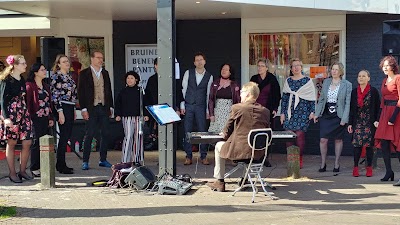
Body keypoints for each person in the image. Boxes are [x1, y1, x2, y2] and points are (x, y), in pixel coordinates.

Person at [206, 82, 270, 192]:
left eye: (242, 92)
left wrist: (224, 135)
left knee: (218, 146)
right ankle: (245, 180)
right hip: (258, 153)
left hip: (238, 151)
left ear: (248, 94)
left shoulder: (237, 108)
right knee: (250, 148)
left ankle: (220, 181)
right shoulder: (265, 111)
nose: (240, 95)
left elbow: (227, 131)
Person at [78, 51, 114, 170]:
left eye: (102, 58)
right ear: (92, 59)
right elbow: (81, 92)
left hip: (103, 107)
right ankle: (85, 161)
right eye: (98, 58)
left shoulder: (105, 73)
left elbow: (109, 90)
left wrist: (110, 107)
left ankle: (103, 159)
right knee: (90, 134)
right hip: (91, 107)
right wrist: (83, 109)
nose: (100, 60)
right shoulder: (84, 73)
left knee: (105, 133)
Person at [0, 55, 33, 183]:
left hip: (23, 112)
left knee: (27, 141)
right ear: (15, 65)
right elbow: (2, 100)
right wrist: (6, 118)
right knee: (12, 142)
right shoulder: (6, 80)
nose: (25, 65)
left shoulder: (22, 79)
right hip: (11, 113)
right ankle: (12, 173)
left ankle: (23, 170)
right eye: (23, 63)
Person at [314, 62, 352, 173]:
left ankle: (336, 163)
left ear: (341, 71)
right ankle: (323, 163)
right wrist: (317, 114)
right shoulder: (326, 82)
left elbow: (348, 102)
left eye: (336, 69)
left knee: (338, 140)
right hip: (326, 113)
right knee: (323, 140)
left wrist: (344, 118)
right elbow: (321, 99)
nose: (334, 71)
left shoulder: (347, 84)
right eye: (332, 69)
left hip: (338, 114)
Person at [280, 58, 316, 168]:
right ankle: (292, 160)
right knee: (289, 137)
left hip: (303, 112)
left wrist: (312, 111)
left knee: (300, 135)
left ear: (301, 67)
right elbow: (285, 98)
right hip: (289, 113)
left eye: (298, 65)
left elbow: (312, 98)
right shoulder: (288, 81)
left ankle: (299, 158)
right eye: (293, 66)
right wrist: (282, 113)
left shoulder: (307, 81)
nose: (296, 67)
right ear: (291, 69)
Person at [180, 52, 213, 165]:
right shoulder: (188, 73)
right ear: (194, 62)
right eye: (197, 60)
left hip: (201, 106)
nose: (199, 62)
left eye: (201, 59)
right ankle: (188, 156)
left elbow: (209, 94)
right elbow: (183, 89)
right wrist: (182, 105)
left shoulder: (209, 76)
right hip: (188, 105)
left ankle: (203, 156)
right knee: (187, 131)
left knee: (203, 131)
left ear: (204, 61)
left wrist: (208, 110)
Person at [348, 70, 380, 177]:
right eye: (359, 76)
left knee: (369, 146)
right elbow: (351, 109)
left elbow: (378, 107)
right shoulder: (354, 92)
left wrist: (377, 120)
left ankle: (369, 168)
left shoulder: (374, 91)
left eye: (363, 76)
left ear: (368, 78)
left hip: (369, 122)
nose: (361, 78)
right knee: (356, 145)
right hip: (357, 122)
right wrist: (350, 123)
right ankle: (355, 167)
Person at [374, 56, 400, 183]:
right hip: (385, 113)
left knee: (397, 143)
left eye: (387, 65)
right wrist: (379, 118)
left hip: (396, 114)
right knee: (384, 144)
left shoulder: (398, 78)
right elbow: (382, 100)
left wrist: (394, 117)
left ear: (393, 66)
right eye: (383, 66)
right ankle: (389, 171)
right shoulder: (384, 80)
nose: (385, 68)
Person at [50, 54, 77, 174]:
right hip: (62, 107)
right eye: (64, 61)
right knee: (64, 136)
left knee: (67, 135)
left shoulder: (70, 77)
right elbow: (55, 96)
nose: (67, 63)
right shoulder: (57, 77)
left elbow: (73, 95)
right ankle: (60, 164)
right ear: (59, 64)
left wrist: (75, 110)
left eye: (67, 61)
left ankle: (61, 163)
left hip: (70, 106)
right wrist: (60, 112)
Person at [26, 63, 54, 177]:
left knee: (45, 143)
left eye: (45, 69)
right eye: (42, 70)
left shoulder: (46, 86)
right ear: (36, 72)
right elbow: (28, 104)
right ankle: (34, 167)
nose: (45, 71)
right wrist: (29, 119)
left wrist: (51, 117)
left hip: (45, 118)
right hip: (35, 118)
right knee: (36, 142)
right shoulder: (30, 86)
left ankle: (44, 166)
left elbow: (49, 103)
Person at [115, 71, 148, 164]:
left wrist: (146, 115)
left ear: (136, 80)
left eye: (132, 78)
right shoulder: (123, 91)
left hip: (139, 117)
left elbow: (145, 103)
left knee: (138, 137)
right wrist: (118, 114)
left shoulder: (141, 91)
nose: (129, 80)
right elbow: (118, 104)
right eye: (128, 78)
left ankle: (136, 159)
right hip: (127, 117)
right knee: (128, 136)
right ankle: (125, 160)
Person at [208, 63, 240, 133]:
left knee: (227, 133)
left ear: (230, 72)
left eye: (226, 69)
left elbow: (238, 100)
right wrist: (211, 114)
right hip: (217, 113)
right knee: (215, 133)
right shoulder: (215, 83)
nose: (224, 71)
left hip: (229, 113)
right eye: (222, 69)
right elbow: (211, 100)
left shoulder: (234, 85)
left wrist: (235, 115)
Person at [250, 58, 281, 123]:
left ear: (267, 68)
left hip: (268, 108)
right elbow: (250, 93)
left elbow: (277, 95)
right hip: (255, 109)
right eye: (258, 66)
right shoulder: (254, 78)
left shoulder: (272, 78)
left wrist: (275, 108)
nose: (259, 68)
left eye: (262, 66)